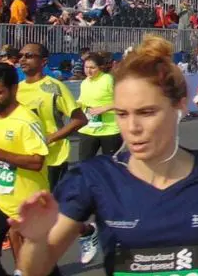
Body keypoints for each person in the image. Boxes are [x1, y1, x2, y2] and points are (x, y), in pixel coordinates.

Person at [10, 36, 198, 276]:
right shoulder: (93, 178)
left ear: (180, 106)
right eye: (122, 113)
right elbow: (38, 267)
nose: (133, 128)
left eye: (147, 112)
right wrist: (35, 240)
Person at [0, 62, 59, 276]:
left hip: (27, 204)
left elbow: (37, 162)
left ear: (13, 89)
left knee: (39, 264)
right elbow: (2, 150)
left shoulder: (27, 121)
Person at [71, 52, 122, 264]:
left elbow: (121, 101)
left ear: (101, 67)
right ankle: (90, 209)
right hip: (89, 130)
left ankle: (113, 207)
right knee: (84, 168)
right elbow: (82, 102)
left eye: (92, 68)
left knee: (113, 170)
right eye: (86, 68)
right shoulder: (85, 83)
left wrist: (104, 107)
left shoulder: (109, 80)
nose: (89, 71)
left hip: (109, 129)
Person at [17, 43, 88, 189]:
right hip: (25, 157)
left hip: (52, 159)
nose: (22, 59)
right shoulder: (17, 88)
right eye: (20, 56)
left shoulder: (54, 87)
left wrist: (50, 138)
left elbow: (80, 119)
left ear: (43, 61)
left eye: (29, 56)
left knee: (49, 206)